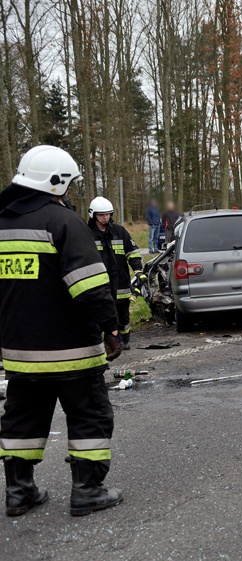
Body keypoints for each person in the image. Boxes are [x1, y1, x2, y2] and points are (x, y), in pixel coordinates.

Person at [0, 145, 123, 517]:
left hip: (20, 354)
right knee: (89, 416)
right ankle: (87, 491)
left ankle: (19, 493)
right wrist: (111, 328)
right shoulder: (64, 223)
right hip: (73, 352)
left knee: (21, 420)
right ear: (56, 183)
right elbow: (89, 288)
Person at [88, 197, 145, 351]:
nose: (106, 218)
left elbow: (132, 252)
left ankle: (124, 340)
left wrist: (138, 270)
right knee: (100, 314)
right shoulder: (87, 234)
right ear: (93, 215)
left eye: (108, 214)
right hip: (99, 284)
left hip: (121, 283)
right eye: (101, 215)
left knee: (123, 315)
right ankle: (102, 342)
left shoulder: (119, 231)